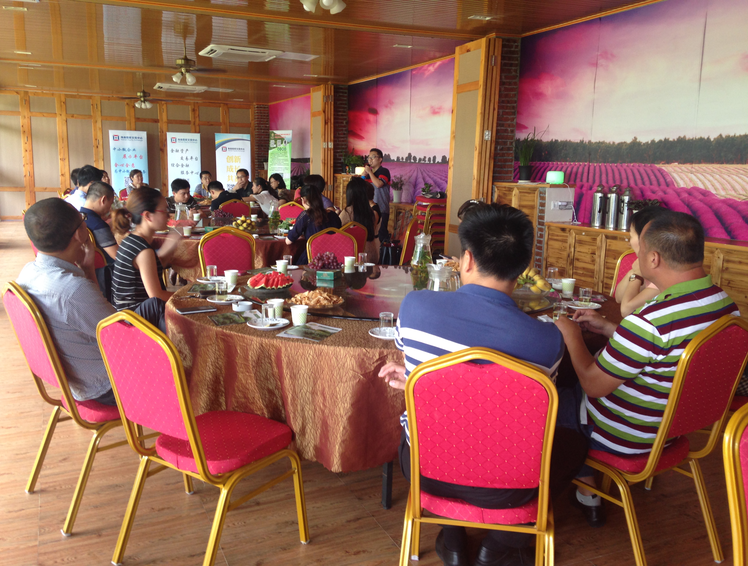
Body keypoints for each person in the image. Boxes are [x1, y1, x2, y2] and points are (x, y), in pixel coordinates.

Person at [379, 203, 587, 566]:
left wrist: (418, 383)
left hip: (426, 472)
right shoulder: (548, 341)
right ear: (522, 268)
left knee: (427, 433)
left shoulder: (415, 307)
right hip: (509, 488)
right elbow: (512, 400)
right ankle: (500, 545)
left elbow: (458, 379)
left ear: (467, 259)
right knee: (574, 441)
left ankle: (453, 541)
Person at [554, 210, 739, 528]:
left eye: (638, 247)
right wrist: (611, 329)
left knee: (550, 396)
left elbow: (593, 385)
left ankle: (577, 488)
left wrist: (571, 336)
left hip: (625, 436)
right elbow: (667, 351)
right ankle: (587, 492)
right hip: (672, 429)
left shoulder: (650, 321)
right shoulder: (725, 306)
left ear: (653, 258)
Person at [17, 199, 163, 405]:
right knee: (161, 314)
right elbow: (122, 336)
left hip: (78, 377)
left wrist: (88, 271)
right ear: (80, 233)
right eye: (83, 219)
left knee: (154, 305)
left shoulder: (28, 272)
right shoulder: (72, 290)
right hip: (109, 385)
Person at [111, 187, 180, 331]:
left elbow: (154, 267)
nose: (169, 215)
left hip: (125, 316)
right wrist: (187, 296)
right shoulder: (143, 250)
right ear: (148, 216)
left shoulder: (130, 239)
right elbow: (156, 295)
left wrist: (171, 244)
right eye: (164, 210)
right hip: (134, 321)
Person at [614, 206, 669, 317]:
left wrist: (637, 275)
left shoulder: (664, 273)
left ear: (644, 239)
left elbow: (626, 310)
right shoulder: (648, 266)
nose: (629, 243)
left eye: (631, 236)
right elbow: (618, 298)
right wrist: (634, 271)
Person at [285, 185, 342, 264]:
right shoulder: (334, 215)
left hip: (313, 259)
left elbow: (288, 241)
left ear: (303, 200)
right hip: (333, 259)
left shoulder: (306, 216)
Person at [81, 181, 117, 300]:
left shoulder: (79, 217)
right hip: (105, 273)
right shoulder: (99, 225)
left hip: (83, 270)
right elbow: (117, 256)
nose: (110, 208)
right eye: (110, 204)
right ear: (103, 200)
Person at [339, 177, 378, 262]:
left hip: (354, 258)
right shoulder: (371, 212)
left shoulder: (347, 213)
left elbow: (338, 235)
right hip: (372, 255)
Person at [362, 148, 391, 241]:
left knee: (381, 235)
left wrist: (370, 172)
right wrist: (363, 175)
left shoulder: (384, 171)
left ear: (380, 159)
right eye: (369, 157)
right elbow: (359, 186)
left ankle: (383, 250)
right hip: (368, 209)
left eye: (373, 157)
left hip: (381, 209)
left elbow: (378, 184)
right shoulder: (368, 174)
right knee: (369, 235)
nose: (370, 160)